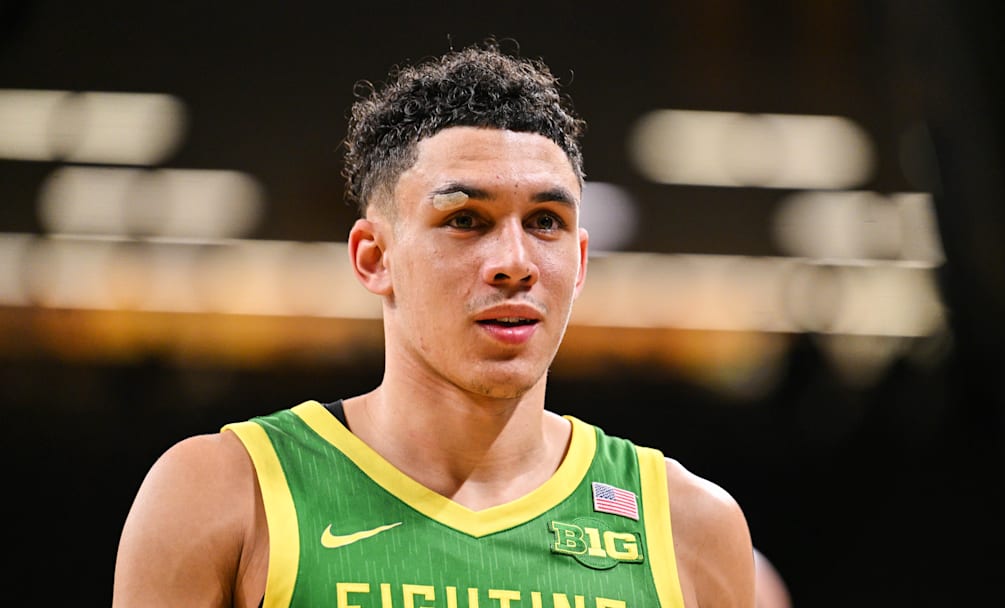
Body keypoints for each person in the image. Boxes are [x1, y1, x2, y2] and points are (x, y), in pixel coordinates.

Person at [113, 40, 756, 608]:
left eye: (546, 222)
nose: (515, 263)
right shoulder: (225, 492)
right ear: (374, 257)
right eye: (466, 220)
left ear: (580, 262)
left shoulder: (686, 524)